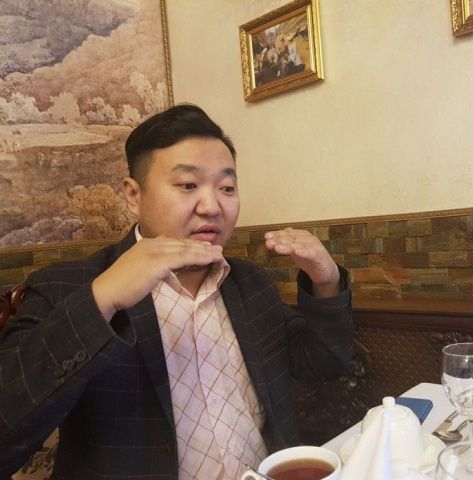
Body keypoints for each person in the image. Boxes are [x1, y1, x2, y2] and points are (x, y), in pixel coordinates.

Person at [0, 104, 353, 479]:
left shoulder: (250, 283)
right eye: (187, 185)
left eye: (227, 188)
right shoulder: (65, 287)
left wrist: (326, 279)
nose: (212, 206)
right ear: (133, 195)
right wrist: (102, 299)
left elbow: (322, 364)